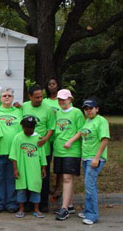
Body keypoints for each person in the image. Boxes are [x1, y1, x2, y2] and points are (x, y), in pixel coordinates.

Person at [64, 99, 110, 225]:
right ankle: (88, 210)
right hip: (86, 157)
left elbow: (105, 140)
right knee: (89, 185)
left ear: (97, 108)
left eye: (91, 108)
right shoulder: (88, 121)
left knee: (90, 186)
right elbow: (80, 132)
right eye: (86, 109)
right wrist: (70, 141)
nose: (88, 111)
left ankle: (92, 215)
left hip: (94, 158)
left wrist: (96, 157)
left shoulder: (101, 121)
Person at [21, 84, 55, 212]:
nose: (39, 99)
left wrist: (46, 139)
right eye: (36, 97)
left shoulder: (48, 109)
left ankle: (43, 203)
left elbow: (52, 127)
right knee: (29, 175)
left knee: (42, 176)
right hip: (26, 148)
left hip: (42, 148)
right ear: (30, 97)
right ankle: (29, 202)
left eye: (41, 97)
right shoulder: (24, 106)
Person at [53, 89, 85, 221]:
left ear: (70, 99)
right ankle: (70, 204)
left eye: (64, 99)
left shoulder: (76, 112)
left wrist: (70, 141)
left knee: (67, 177)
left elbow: (82, 130)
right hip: (59, 149)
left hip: (71, 150)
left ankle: (64, 208)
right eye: (59, 99)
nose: (61, 102)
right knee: (65, 178)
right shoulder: (57, 113)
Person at [10, 116, 47, 219]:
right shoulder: (18, 137)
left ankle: (36, 209)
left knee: (35, 187)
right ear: (22, 126)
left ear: (34, 127)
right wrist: (15, 169)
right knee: (21, 188)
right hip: (21, 167)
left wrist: (43, 168)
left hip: (34, 168)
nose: (28, 130)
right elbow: (14, 155)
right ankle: (21, 209)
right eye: (26, 127)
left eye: (30, 127)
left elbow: (42, 155)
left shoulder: (38, 138)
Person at [0, 88, 22, 213]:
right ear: (0, 98)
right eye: (4, 95)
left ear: (13, 98)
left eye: (9, 95)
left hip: (13, 152)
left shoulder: (19, 112)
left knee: (11, 178)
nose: (7, 97)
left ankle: (11, 202)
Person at [42, 77, 63, 201]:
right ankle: (47, 186)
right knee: (47, 163)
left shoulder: (63, 101)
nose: (51, 86)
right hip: (48, 138)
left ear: (58, 85)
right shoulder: (44, 101)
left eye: (54, 84)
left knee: (59, 164)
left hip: (60, 136)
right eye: (49, 84)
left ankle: (59, 187)